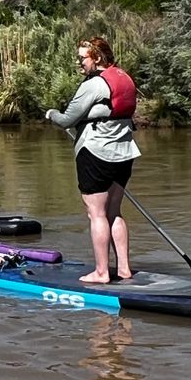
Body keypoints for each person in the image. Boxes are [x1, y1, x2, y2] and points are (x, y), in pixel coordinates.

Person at [45, 36, 140, 284]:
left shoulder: (93, 85)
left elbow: (67, 119)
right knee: (114, 212)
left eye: (82, 59)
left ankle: (101, 272)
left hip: (96, 153)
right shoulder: (125, 78)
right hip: (125, 153)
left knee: (96, 214)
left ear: (96, 57)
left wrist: (50, 113)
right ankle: (124, 269)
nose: (80, 64)